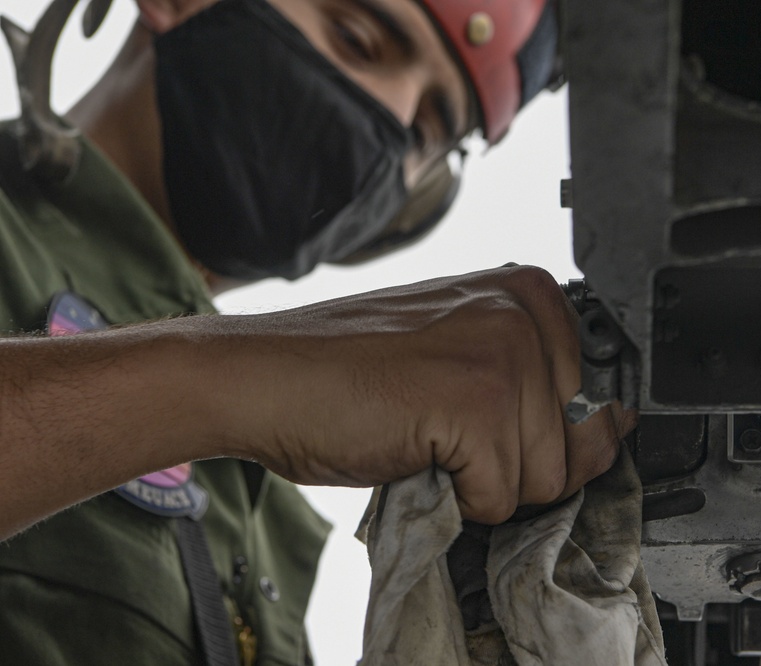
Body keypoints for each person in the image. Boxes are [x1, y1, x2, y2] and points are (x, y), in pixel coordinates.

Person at [0, 0, 627, 663]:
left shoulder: (262, 497)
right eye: (355, 36)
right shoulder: (260, 407)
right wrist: (238, 379)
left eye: (425, 129)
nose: (388, 112)